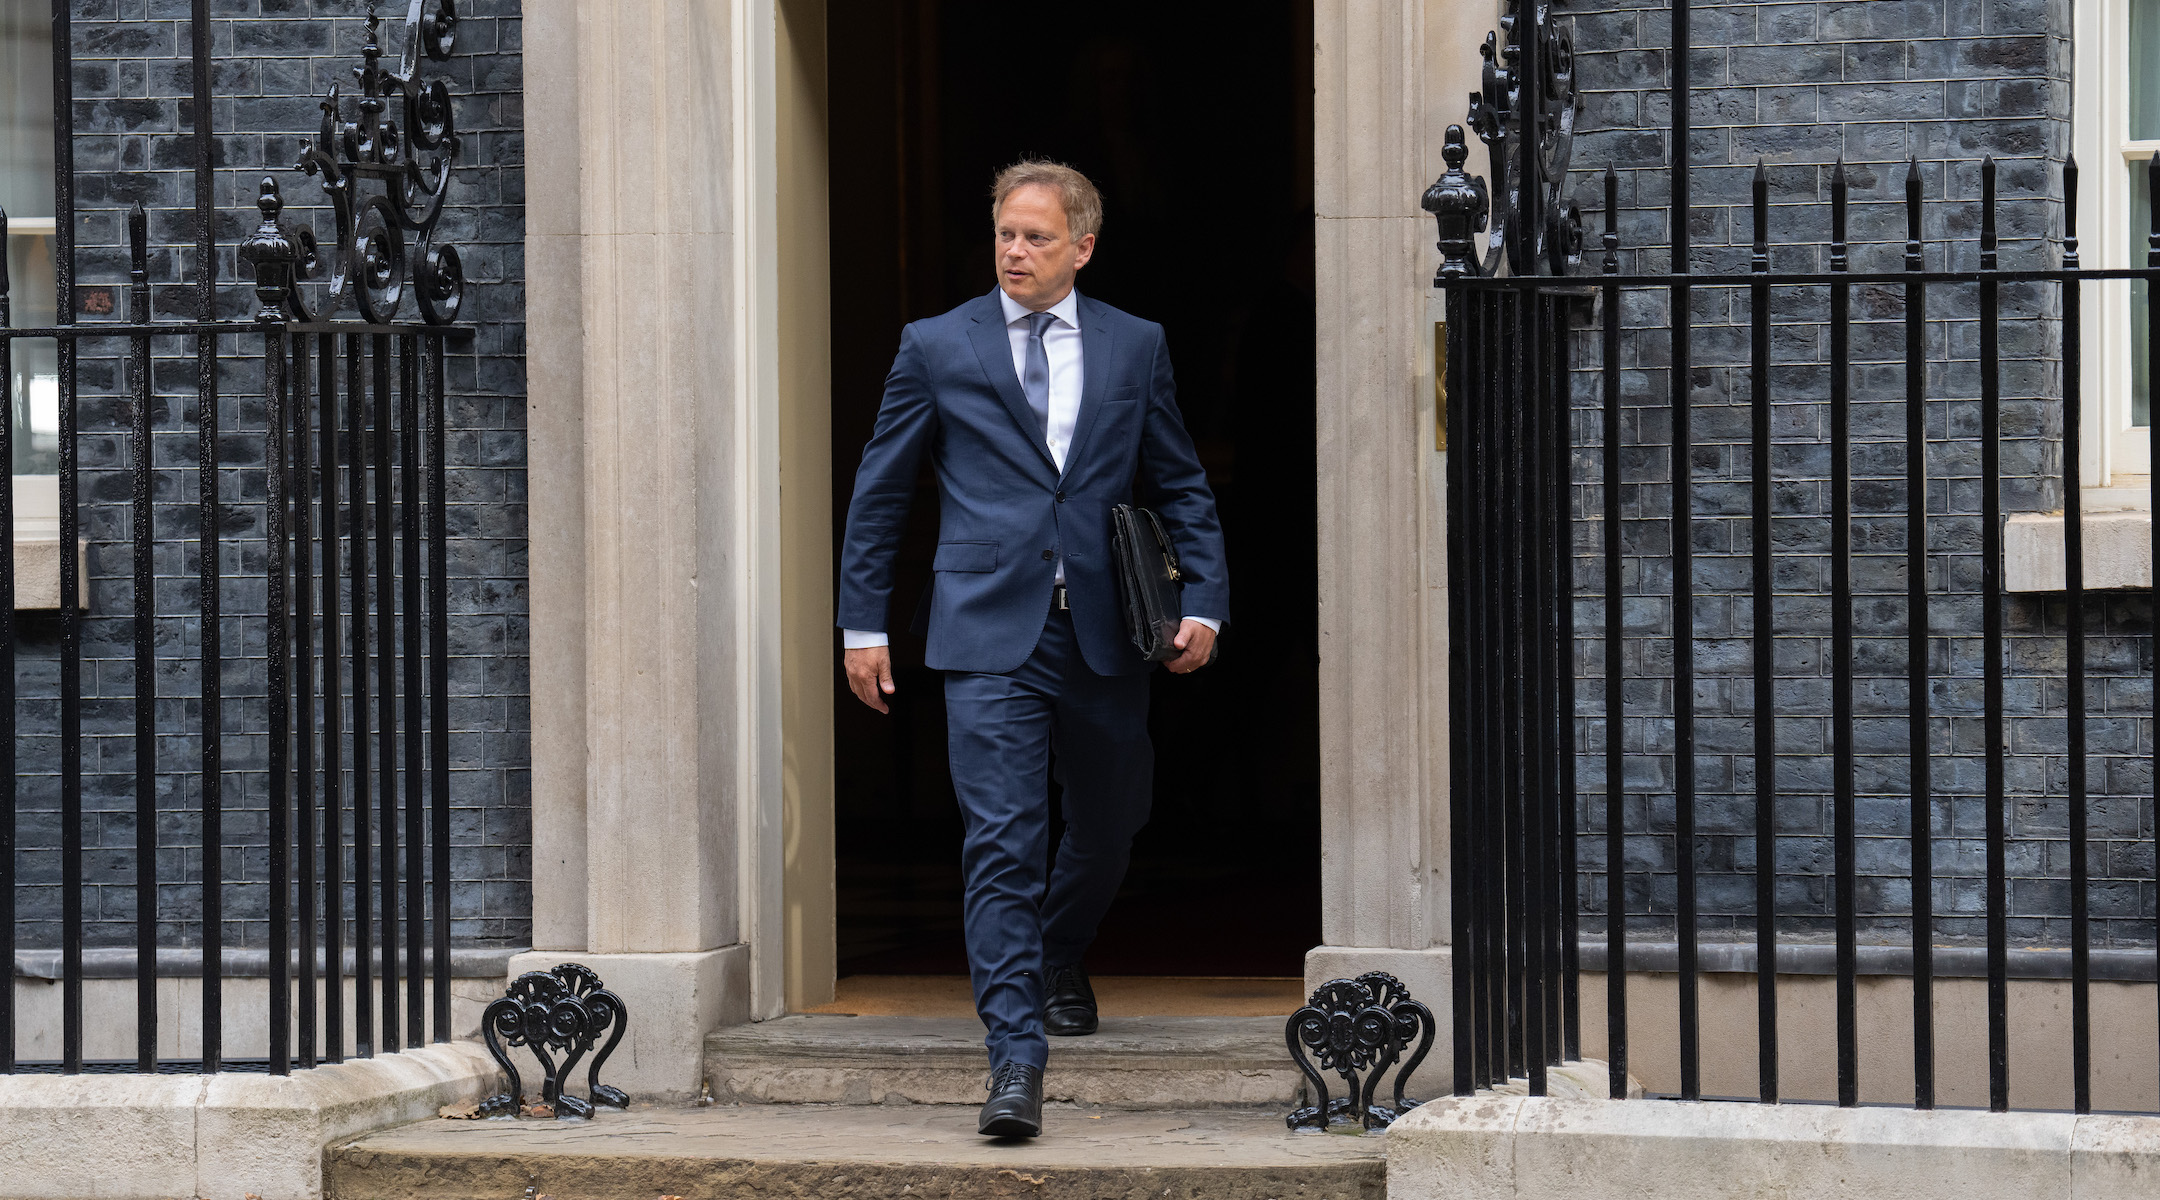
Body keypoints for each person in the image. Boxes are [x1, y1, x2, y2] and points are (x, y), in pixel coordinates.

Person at [837, 160, 1228, 1139]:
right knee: (1003, 840)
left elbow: (1180, 482)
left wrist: (1206, 602)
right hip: (984, 629)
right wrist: (863, 625)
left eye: (1037, 237)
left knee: (1109, 820)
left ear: (1082, 247)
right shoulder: (935, 345)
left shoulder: (1137, 346)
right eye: (1007, 233)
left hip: (1104, 628)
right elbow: (882, 494)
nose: (1015, 250)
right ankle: (1015, 1058)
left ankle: (1059, 950)